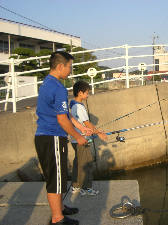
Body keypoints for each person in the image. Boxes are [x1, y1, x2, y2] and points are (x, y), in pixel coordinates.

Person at [35, 51, 93, 225]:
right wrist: (78, 136)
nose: (70, 71)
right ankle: (57, 218)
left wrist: (81, 127)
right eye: (70, 66)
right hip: (52, 137)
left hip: (44, 136)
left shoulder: (47, 83)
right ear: (61, 66)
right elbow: (61, 120)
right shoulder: (59, 88)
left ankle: (60, 208)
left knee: (57, 176)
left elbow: (65, 114)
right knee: (56, 179)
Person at [69, 81, 107, 195]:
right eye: (87, 93)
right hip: (82, 139)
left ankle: (75, 186)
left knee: (78, 162)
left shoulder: (73, 105)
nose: (88, 95)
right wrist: (99, 132)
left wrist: (98, 130)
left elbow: (85, 123)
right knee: (86, 163)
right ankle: (86, 188)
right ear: (80, 93)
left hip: (75, 139)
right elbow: (86, 123)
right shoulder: (79, 107)